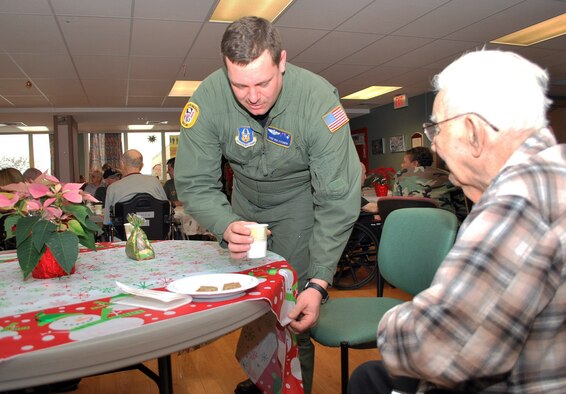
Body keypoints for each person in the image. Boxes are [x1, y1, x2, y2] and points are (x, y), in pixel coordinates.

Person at [349, 50, 566, 393]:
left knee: (368, 380)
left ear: (473, 131)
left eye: (436, 129)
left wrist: (388, 324)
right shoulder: (555, 168)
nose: (434, 145)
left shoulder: (515, 204)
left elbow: (434, 346)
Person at [174, 16, 361, 394]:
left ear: (282, 62)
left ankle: (293, 387)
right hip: (240, 206)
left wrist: (320, 281)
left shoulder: (318, 100)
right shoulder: (208, 99)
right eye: (240, 85)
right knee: (253, 302)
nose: (253, 95)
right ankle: (264, 379)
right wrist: (226, 224)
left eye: (263, 82)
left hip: (298, 207)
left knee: (293, 312)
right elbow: (195, 182)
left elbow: (337, 196)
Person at [392, 146, 468, 221]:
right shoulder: (448, 176)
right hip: (446, 224)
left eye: (404, 162)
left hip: (413, 223)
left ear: (415, 163)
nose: (402, 165)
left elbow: (395, 206)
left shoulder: (400, 176)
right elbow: (462, 209)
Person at [103, 149, 167, 224]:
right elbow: (166, 209)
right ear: (142, 165)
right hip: (155, 233)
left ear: (122, 163)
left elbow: (107, 221)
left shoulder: (113, 188)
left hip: (125, 234)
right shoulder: (155, 182)